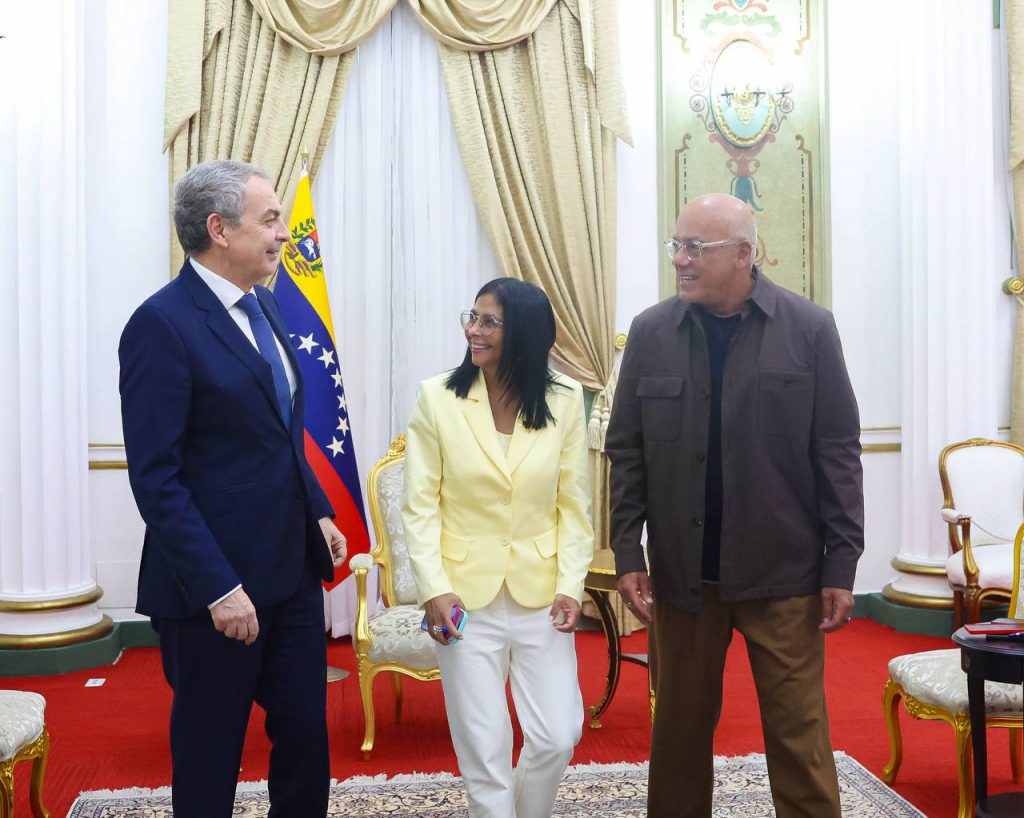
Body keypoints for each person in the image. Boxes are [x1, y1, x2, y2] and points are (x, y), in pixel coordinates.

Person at [606, 193, 864, 818]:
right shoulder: (651, 332)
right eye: (677, 245)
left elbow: (837, 451)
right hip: (684, 576)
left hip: (784, 575)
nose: (680, 259)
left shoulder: (809, 329)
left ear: (744, 254)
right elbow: (627, 451)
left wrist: (841, 563)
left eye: (696, 247)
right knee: (678, 733)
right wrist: (627, 551)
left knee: (799, 737)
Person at [119, 159, 347, 817]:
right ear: (219, 229)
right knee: (209, 753)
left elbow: (280, 433)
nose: (283, 233)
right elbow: (157, 478)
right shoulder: (160, 325)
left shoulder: (266, 304)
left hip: (291, 571)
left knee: (305, 738)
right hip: (214, 591)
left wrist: (318, 510)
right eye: (270, 219)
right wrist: (218, 587)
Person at [402, 277, 594, 818]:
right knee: (484, 749)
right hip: (462, 599)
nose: (473, 330)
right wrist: (433, 589)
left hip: (542, 596)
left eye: (489, 321)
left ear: (525, 333)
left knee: (558, 734)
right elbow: (420, 505)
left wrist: (571, 585)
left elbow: (574, 505)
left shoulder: (564, 398)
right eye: (473, 317)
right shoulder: (438, 397)